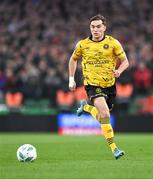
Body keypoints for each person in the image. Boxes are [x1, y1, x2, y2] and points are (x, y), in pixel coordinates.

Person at [68, 14, 129, 159]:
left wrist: (119, 71)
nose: (95, 29)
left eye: (98, 26)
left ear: (104, 27)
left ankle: (86, 108)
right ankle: (114, 149)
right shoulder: (83, 44)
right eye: (93, 27)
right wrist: (71, 78)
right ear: (90, 28)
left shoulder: (113, 43)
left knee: (103, 117)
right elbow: (73, 59)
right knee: (106, 114)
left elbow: (125, 61)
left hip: (110, 84)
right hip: (92, 84)